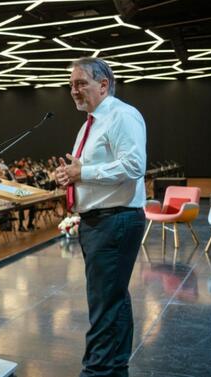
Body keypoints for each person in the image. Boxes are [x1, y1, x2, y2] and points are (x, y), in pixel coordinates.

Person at [55, 57, 146, 377]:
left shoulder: (122, 116)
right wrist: (71, 174)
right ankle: (115, 367)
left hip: (115, 220)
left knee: (104, 307)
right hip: (100, 220)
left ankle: (95, 372)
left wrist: (84, 171)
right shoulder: (89, 124)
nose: (74, 91)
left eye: (81, 84)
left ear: (104, 84)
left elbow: (134, 167)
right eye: (71, 86)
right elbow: (87, 173)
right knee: (114, 300)